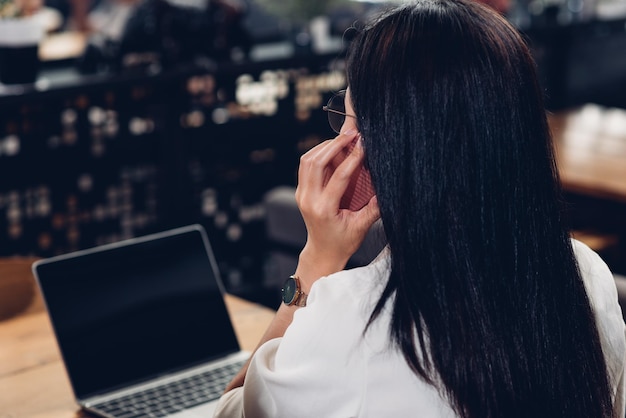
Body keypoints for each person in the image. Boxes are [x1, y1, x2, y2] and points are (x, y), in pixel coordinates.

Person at [214, 0, 626, 417]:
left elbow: (232, 410)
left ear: (377, 145)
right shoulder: (586, 276)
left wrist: (316, 261)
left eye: (346, 116)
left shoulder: (348, 320)